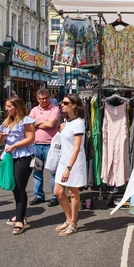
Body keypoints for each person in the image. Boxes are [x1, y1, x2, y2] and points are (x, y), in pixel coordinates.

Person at [0, 97, 35, 235]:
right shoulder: (7, 121)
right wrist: (2, 136)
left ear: (17, 107)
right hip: (9, 156)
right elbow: (2, 141)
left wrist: (14, 145)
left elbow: (31, 138)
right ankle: (21, 214)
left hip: (23, 156)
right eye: (6, 106)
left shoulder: (26, 120)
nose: (6, 109)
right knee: (14, 187)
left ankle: (19, 220)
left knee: (20, 187)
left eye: (9, 106)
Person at [53, 94, 87, 236]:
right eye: (62, 102)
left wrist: (68, 168)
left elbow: (77, 148)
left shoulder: (79, 123)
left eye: (66, 103)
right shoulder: (66, 121)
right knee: (58, 192)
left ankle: (73, 223)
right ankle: (69, 219)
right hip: (64, 160)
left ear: (74, 105)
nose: (62, 105)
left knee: (73, 193)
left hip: (74, 163)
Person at [28, 89, 60, 206]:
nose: (44, 100)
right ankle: (39, 195)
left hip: (51, 145)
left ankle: (55, 196)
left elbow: (51, 124)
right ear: (37, 99)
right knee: (37, 172)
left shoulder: (55, 109)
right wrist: (43, 122)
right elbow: (28, 125)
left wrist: (37, 123)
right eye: (41, 99)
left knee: (53, 172)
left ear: (50, 97)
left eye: (46, 98)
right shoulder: (34, 110)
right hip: (36, 145)